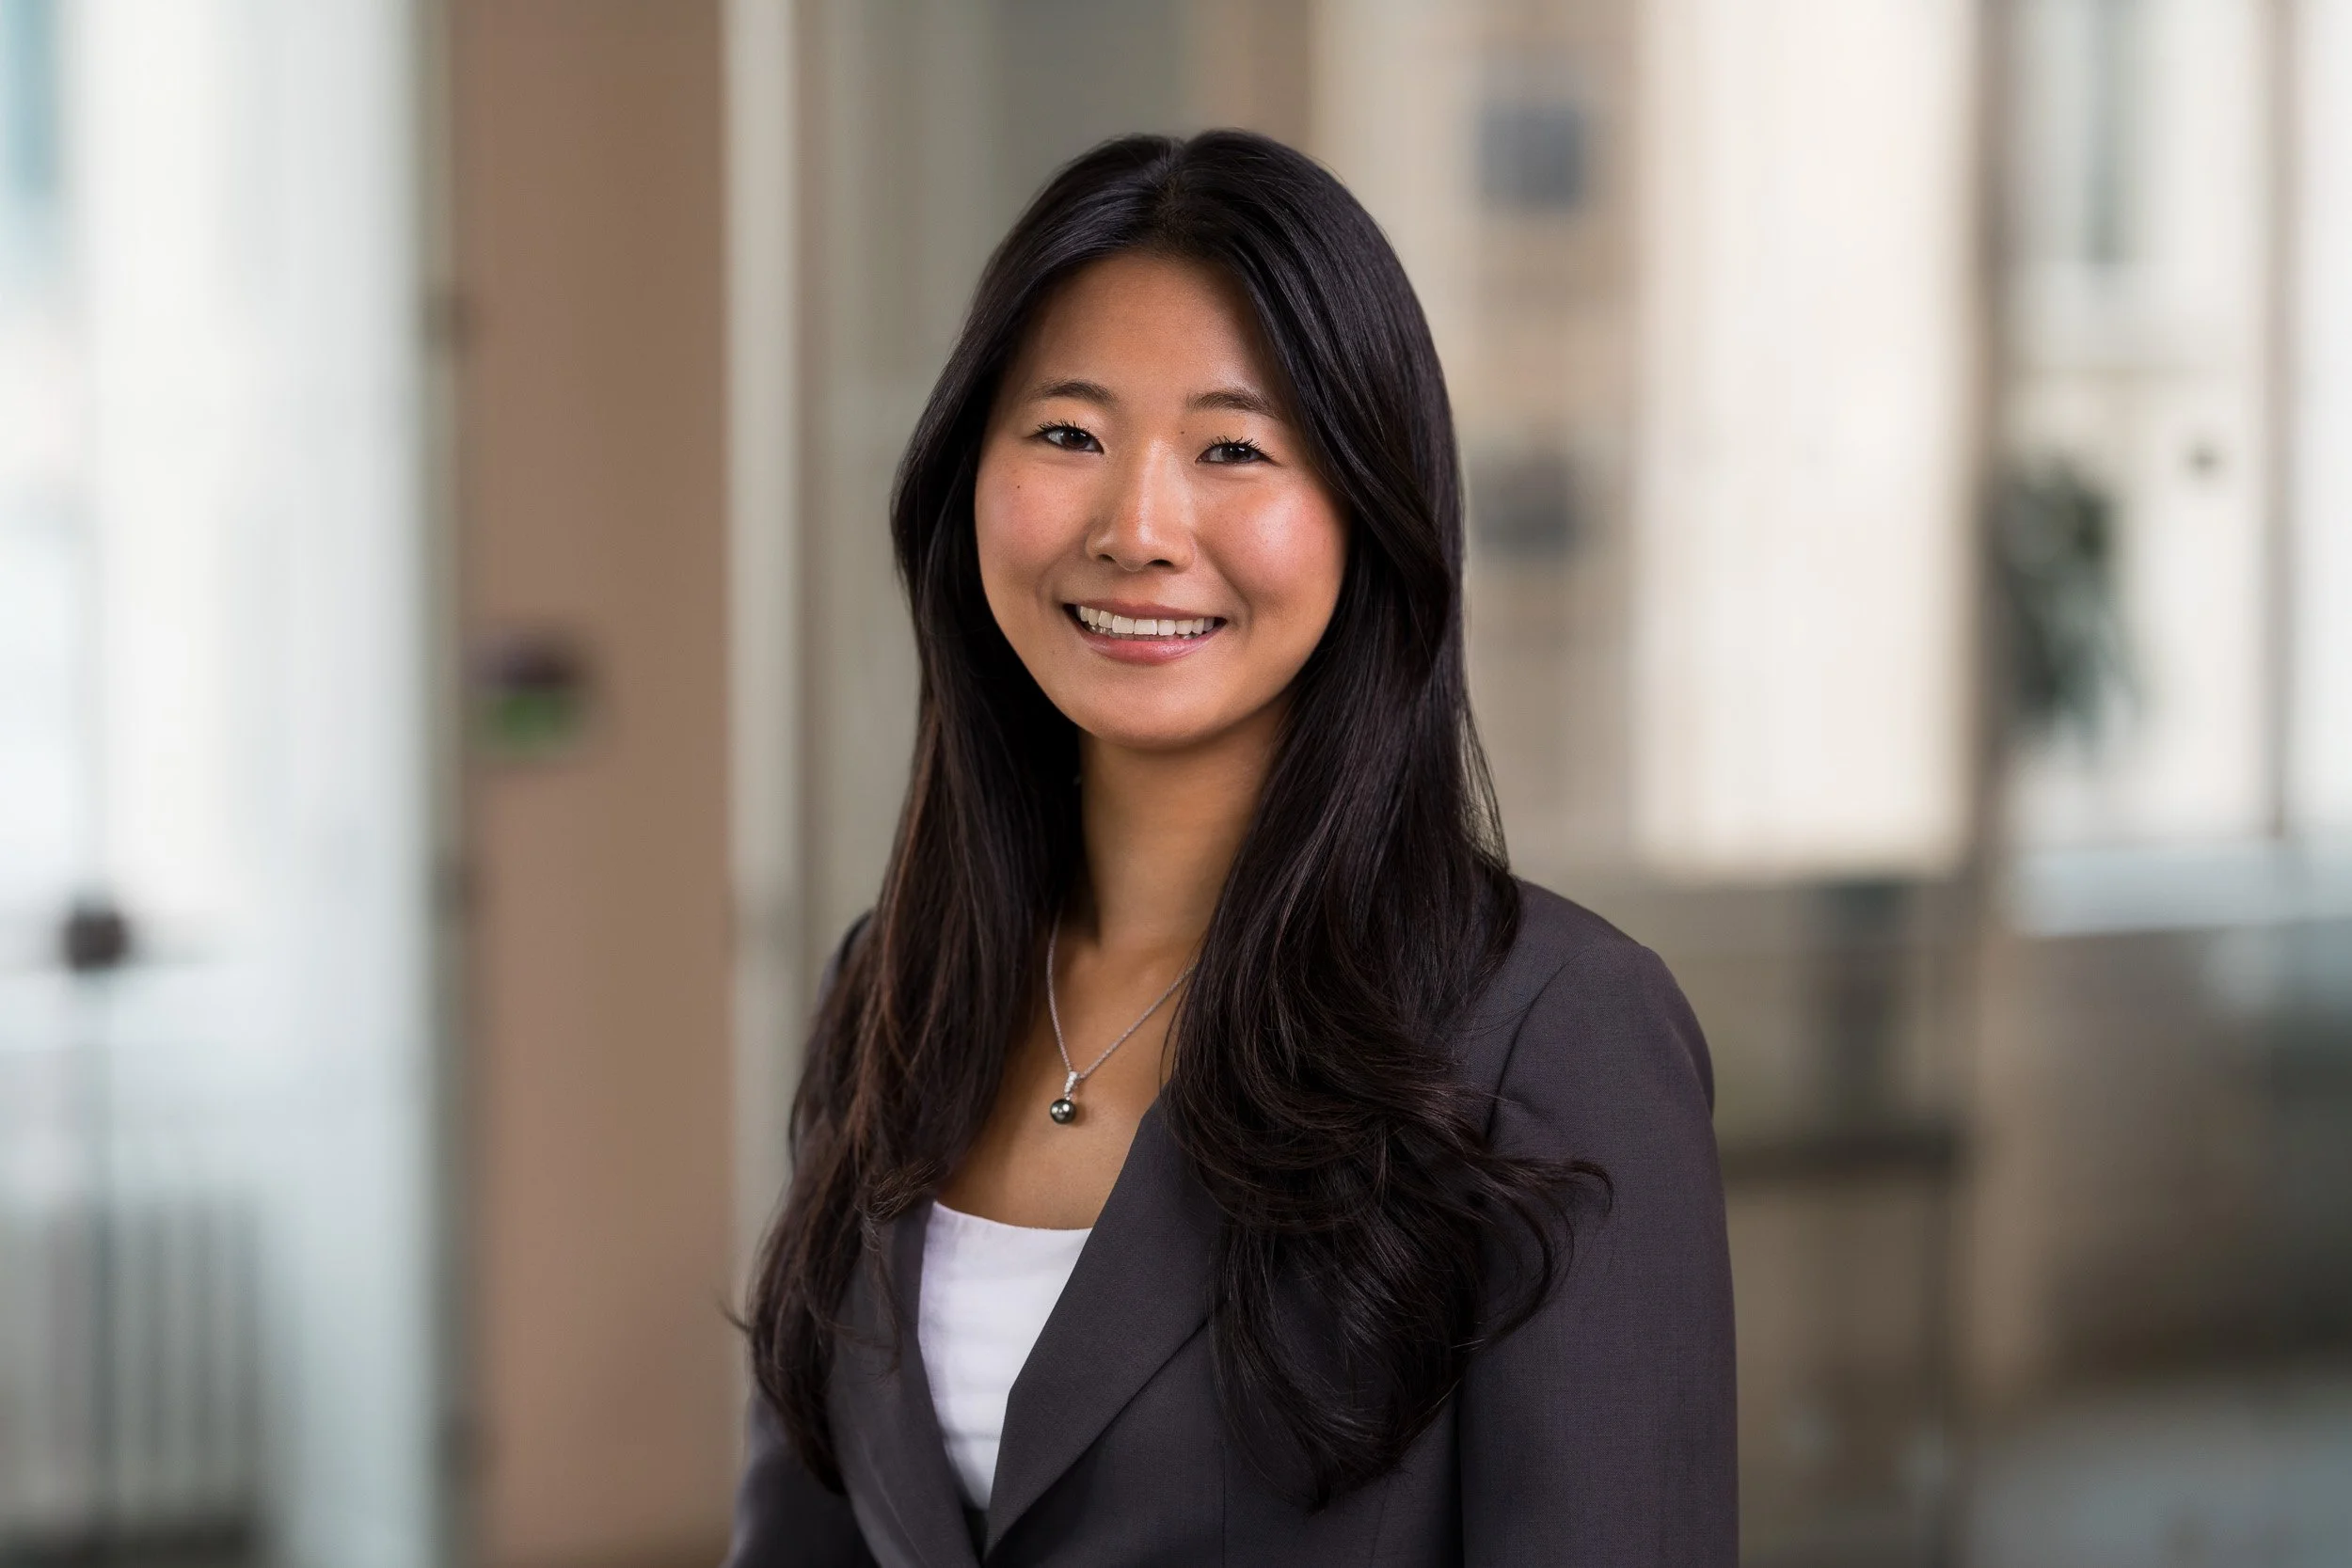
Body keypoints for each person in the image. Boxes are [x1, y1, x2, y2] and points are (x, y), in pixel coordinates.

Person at [725, 130, 1735, 1567]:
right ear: (968, 480)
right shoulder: (894, 985)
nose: (1137, 528)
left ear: (1365, 513)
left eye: (1234, 449)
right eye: (1068, 432)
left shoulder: (1554, 1035)